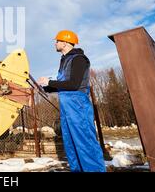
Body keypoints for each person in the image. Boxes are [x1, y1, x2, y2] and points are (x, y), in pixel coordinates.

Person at [38, 30, 105, 172]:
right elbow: (63, 85)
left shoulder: (79, 59)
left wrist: (50, 81)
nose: (55, 43)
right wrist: (46, 87)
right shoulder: (64, 60)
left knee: (85, 143)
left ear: (66, 42)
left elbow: (74, 84)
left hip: (78, 105)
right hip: (66, 106)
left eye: (57, 41)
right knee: (71, 145)